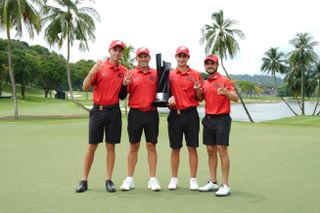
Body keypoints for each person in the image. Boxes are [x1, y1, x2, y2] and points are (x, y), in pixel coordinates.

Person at [75, 40, 127, 193]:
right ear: (109, 51)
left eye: (120, 50)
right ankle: (84, 180)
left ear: (122, 53)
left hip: (114, 112)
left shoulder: (124, 71)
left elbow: (123, 95)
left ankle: (109, 180)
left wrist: (125, 84)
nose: (117, 53)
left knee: (111, 146)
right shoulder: (100, 67)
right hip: (98, 111)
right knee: (92, 146)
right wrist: (91, 72)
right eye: (115, 50)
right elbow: (85, 87)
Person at [195, 54, 238, 196]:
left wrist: (226, 93)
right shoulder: (205, 83)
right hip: (208, 119)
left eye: (212, 63)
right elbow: (201, 98)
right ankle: (213, 182)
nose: (209, 65)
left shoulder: (224, 80)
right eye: (207, 63)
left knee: (222, 150)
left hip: (222, 119)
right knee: (210, 151)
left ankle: (225, 185)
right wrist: (198, 90)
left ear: (217, 65)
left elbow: (235, 98)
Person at [119, 47, 161, 191]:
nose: (143, 59)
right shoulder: (130, 74)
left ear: (149, 58)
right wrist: (124, 85)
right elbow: (122, 96)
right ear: (136, 58)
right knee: (134, 146)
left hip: (151, 114)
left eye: (145, 57)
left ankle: (153, 179)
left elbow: (164, 91)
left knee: (151, 146)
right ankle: (129, 179)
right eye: (140, 57)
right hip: (135, 114)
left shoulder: (156, 74)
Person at [167, 46, 203, 191]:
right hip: (175, 115)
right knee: (175, 148)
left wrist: (198, 90)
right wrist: (169, 101)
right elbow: (165, 94)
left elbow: (200, 97)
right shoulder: (170, 74)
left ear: (188, 58)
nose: (182, 59)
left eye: (184, 56)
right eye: (179, 56)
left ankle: (193, 179)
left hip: (191, 114)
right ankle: (174, 179)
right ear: (176, 57)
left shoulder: (196, 74)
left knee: (192, 148)